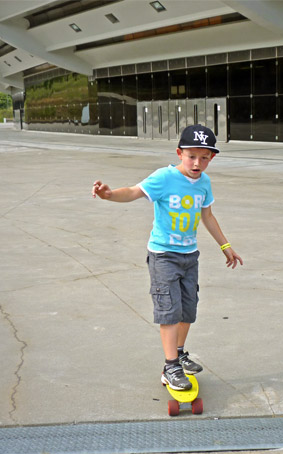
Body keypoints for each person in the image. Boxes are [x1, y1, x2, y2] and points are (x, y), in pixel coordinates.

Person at [92, 124, 243, 391]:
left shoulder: (204, 183)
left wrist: (225, 245)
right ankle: (170, 365)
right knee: (169, 311)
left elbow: (207, 216)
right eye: (191, 156)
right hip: (163, 256)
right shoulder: (164, 177)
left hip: (189, 256)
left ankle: (180, 352)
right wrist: (109, 195)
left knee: (188, 309)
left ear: (212, 158)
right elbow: (134, 191)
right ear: (179, 153)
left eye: (204, 157)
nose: (197, 163)